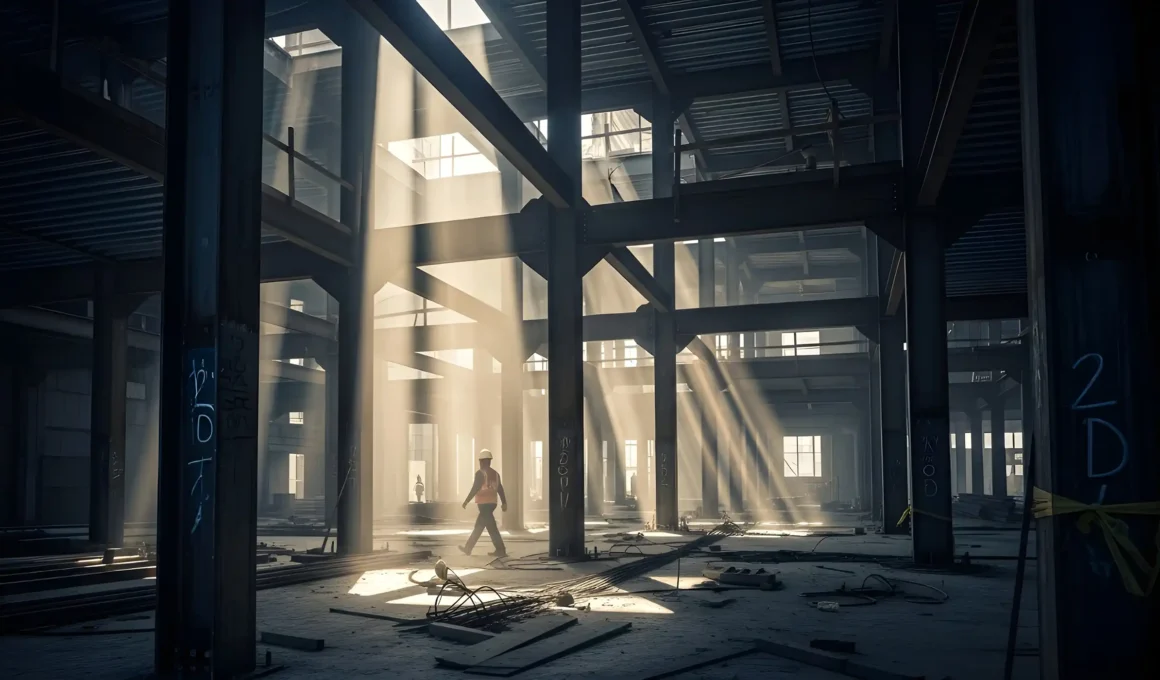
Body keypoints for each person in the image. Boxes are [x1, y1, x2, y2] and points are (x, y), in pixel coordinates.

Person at [459, 449, 507, 558]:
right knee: (480, 527)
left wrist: (466, 501)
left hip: (484, 504)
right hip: (492, 503)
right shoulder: (495, 474)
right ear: (489, 461)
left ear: (481, 461)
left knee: (491, 528)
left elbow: (475, 488)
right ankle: (468, 548)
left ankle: (501, 550)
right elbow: (500, 489)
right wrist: (504, 502)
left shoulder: (480, 474)